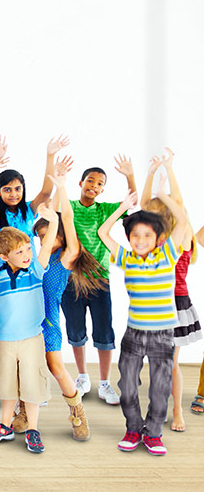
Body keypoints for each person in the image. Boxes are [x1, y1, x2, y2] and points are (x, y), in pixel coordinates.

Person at [0, 136, 70, 406]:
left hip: (29, 281)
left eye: (17, 188)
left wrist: (49, 156)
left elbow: (47, 193)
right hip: (0, 281)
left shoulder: (27, 211)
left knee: (30, 333)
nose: (13, 194)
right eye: (7, 190)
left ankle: (31, 387)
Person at [99, 189, 187, 456]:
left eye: (147, 235)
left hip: (162, 335)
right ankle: (134, 429)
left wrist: (164, 195)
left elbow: (182, 222)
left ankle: (154, 434)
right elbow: (104, 233)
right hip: (134, 335)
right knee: (126, 387)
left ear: (158, 238)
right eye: (135, 235)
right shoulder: (126, 259)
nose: (140, 240)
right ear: (129, 238)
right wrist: (122, 207)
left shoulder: (167, 255)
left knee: (160, 389)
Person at [0, 207, 59, 454]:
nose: (26, 254)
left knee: (32, 384)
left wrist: (52, 218)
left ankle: (33, 429)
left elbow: (45, 248)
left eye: (27, 249)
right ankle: (4, 425)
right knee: (6, 385)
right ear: (4, 256)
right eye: (19, 252)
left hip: (32, 339)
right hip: (4, 341)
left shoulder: (35, 269)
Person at [24, 170, 98, 441]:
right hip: (26, 321)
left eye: (49, 235)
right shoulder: (36, 258)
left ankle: (77, 410)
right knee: (26, 368)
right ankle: (23, 411)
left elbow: (66, 217)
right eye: (41, 236)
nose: (45, 240)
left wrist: (62, 188)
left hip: (49, 322)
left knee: (56, 367)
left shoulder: (66, 258)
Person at [63, 155, 137, 405]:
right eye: (90, 181)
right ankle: (82, 377)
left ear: (103, 189)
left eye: (99, 183)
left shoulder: (106, 210)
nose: (93, 186)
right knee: (75, 331)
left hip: (99, 281)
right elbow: (55, 208)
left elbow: (132, 203)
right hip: (71, 280)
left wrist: (129, 174)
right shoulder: (70, 206)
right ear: (81, 182)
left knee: (104, 332)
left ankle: (105, 383)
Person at [140, 148, 200, 431]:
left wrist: (170, 169)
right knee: (156, 364)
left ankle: (177, 412)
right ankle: (159, 409)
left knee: (171, 364)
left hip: (175, 303)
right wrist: (151, 174)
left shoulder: (183, 235)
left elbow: (179, 203)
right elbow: (142, 206)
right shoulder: (152, 238)